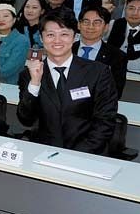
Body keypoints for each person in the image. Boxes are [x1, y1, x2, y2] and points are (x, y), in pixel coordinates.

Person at [17, 15, 118, 154]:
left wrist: (76, 155)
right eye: (50, 35)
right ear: (41, 38)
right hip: (45, 152)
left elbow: (105, 122)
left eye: (64, 34)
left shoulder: (98, 72)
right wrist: (35, 83)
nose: (57, 41)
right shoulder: (29, 73)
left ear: (75, 37)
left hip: (87, 153)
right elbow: (26, 119)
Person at [74, 6, 127, 95]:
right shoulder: (66, 51)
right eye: (86, 22)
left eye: (97, 23)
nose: (90, 27)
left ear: (106, 27)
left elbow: (116, 91)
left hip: (98, 107)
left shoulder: (118, 56)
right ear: (79, 25)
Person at [0, 4, 30, 84]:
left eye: (6, 16)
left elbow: (7, 70)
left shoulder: (21, 41)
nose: (1, 19)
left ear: (14, 20)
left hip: (5, 83)